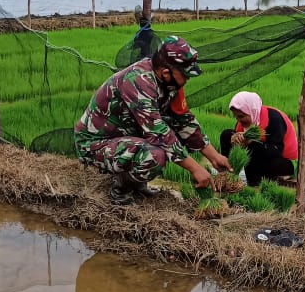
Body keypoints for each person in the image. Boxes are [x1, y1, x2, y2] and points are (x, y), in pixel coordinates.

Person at [74, 35, 231, 205]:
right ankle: (121, 187)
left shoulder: (171, 84)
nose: (187, 80)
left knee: (171, 137)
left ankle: (137, 183)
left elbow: (184, 120)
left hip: (125, 137)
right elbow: (159, 133)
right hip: (96, 143)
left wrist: (214, 156)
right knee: (155, 155)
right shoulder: (138, 81)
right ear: (166, 72)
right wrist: (196, 169)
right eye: (185, 75)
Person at [219, 91, 298, 186]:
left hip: (285, 162)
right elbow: (239, 148)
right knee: (227, 135)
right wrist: (234, 139)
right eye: (236, 116)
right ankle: (227, 176)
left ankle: (254, 184)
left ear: (252, 111)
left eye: (241, 116)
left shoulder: (274, 119)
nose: (238, 120)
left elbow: (276, 151)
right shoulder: (242, 122)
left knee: (253, 148)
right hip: (263, 158)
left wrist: (251, 142)